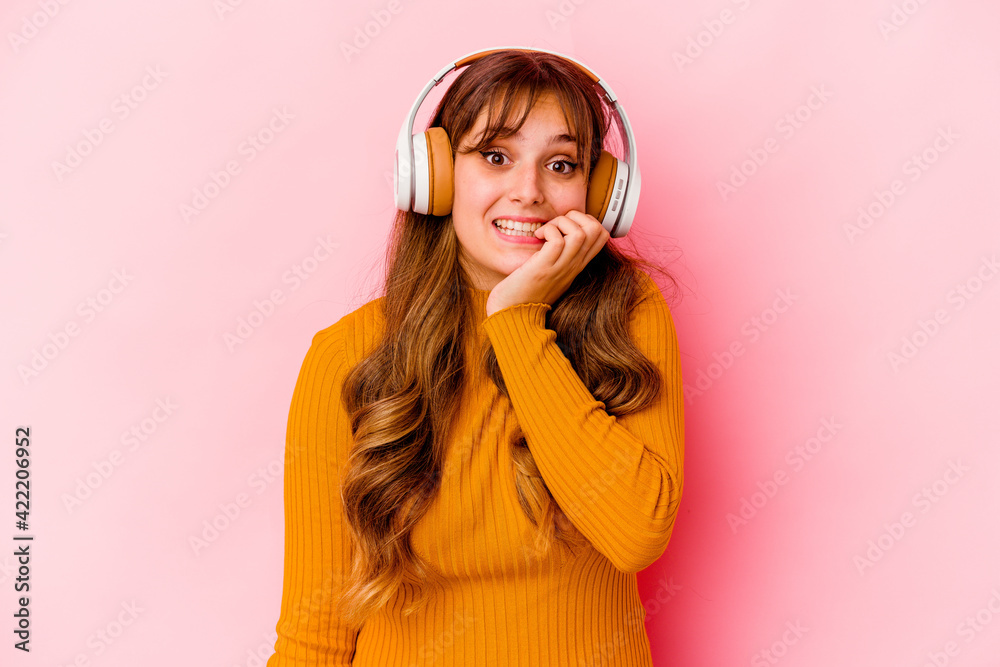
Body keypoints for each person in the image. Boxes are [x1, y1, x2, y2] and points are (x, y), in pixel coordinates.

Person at [265, 47, 684, 667]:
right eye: (495, 156)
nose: (530, 192)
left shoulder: (626, 316)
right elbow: (315, 633)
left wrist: (517, 321)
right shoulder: (348, 356)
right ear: (435, 173)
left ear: (597, 193)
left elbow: (636, 532)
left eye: (562, 164)